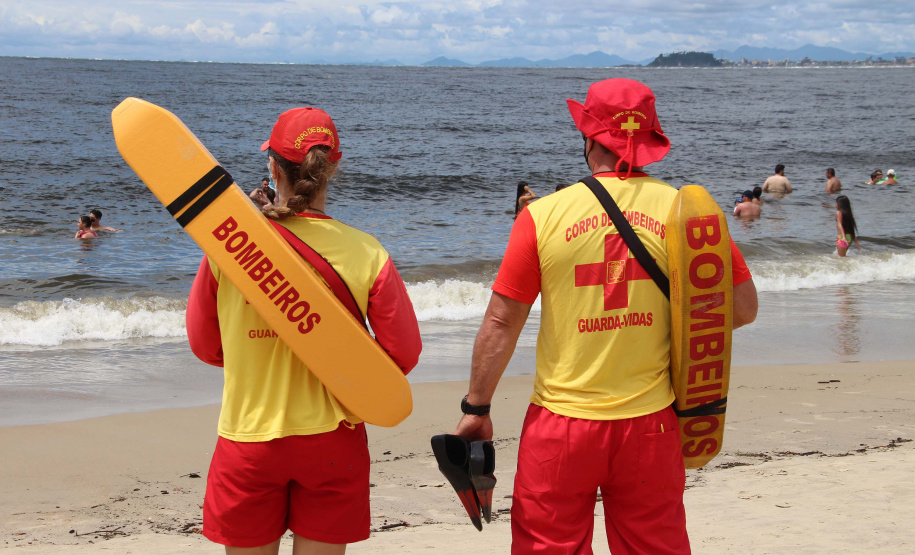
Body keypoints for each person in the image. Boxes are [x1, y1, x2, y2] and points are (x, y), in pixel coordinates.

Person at [452, 78, 758, 554]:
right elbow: (741, 309)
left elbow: (501, 322)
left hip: (561, 426)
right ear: (649, 138)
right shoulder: (687, 213)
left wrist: (477, 409)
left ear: (589, 137)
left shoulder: (542, 216)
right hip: (651, 426)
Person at [186, 107, 422, 554]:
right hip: (332, 442)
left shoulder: (227, 249)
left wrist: (258, 346)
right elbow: (402, 357)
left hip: (250, 438)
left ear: (272, 166)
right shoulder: (366, 253)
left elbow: (206, 346)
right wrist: (330, 352)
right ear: (334, 166)